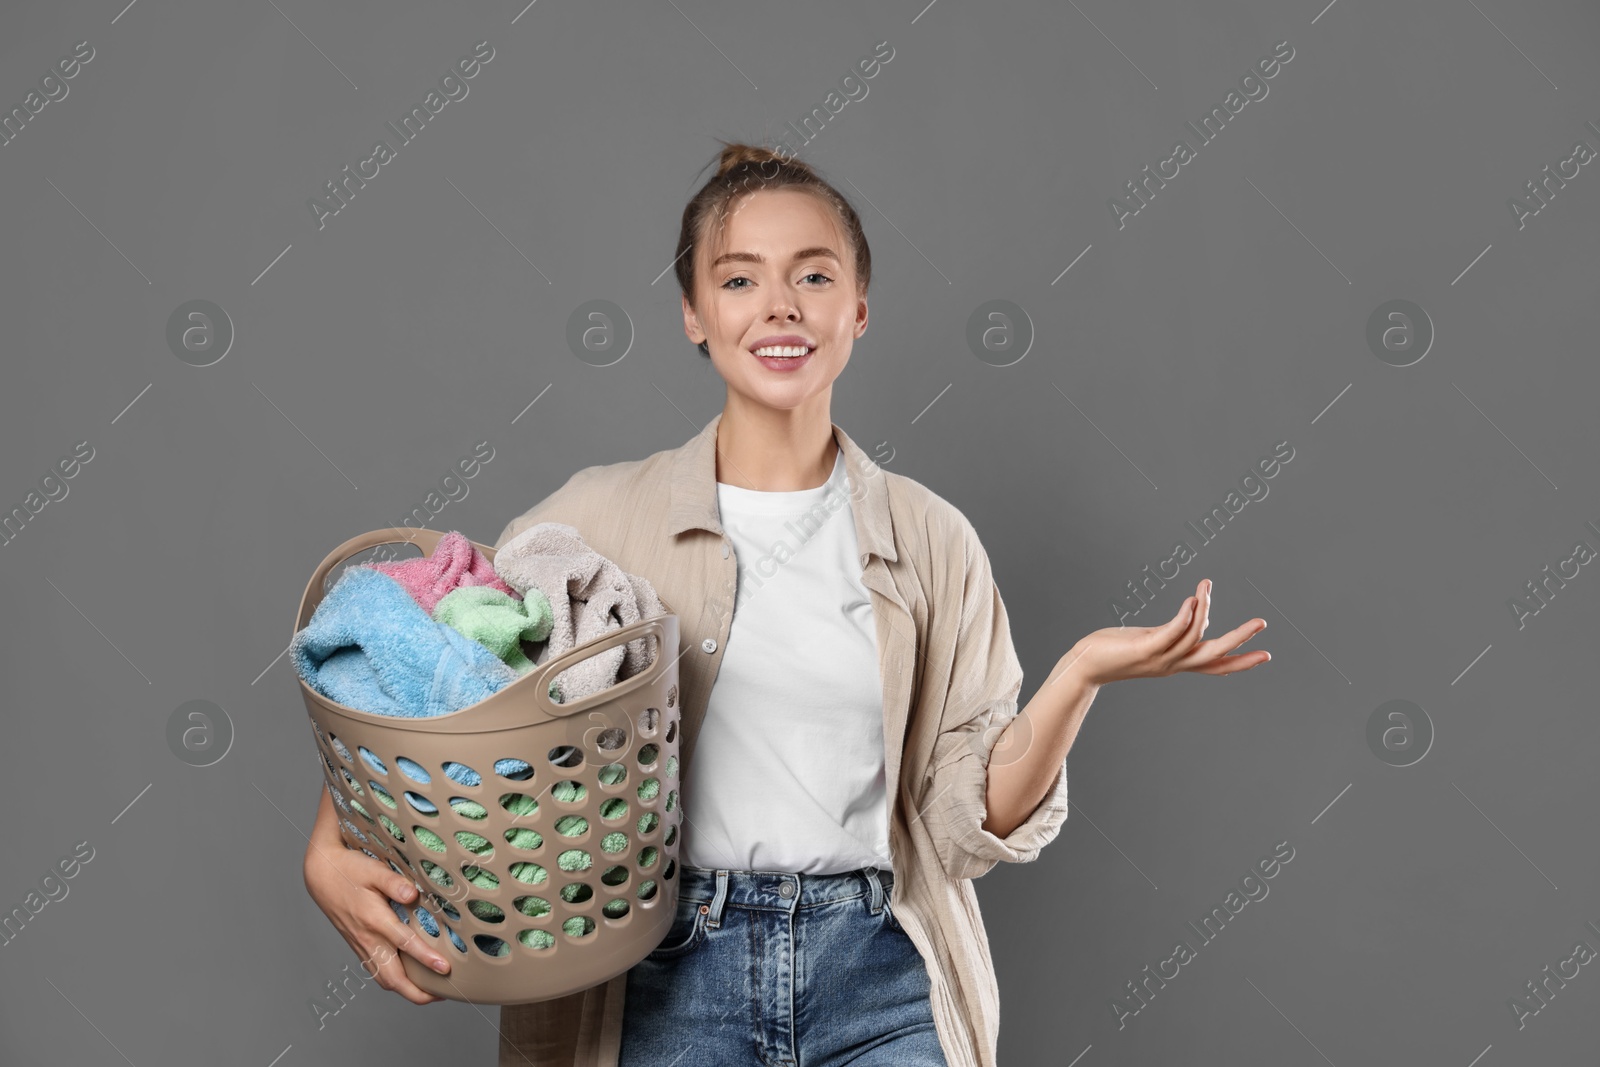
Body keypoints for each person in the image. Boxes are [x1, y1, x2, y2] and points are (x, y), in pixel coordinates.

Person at [302, 141, 1271, 1066]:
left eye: (813, 276)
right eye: (737, 279)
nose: (779, 306)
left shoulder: (932, 540)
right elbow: (439, 687)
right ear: (692, 311)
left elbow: (966, 816)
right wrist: (327, 843)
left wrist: (1081, 672)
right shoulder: (594, 519)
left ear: (858, 309)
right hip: (662, 972)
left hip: (880, 971)